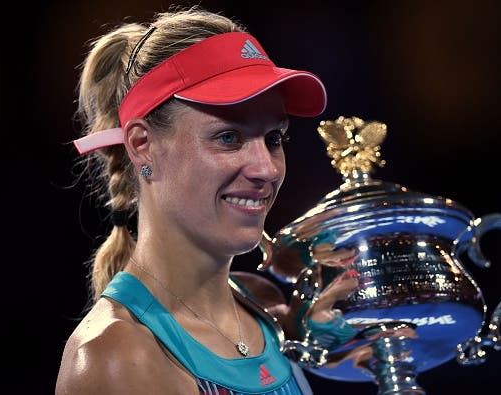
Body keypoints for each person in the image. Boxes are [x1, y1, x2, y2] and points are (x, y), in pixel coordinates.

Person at [55, 5, 359, 395]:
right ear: (142, 145)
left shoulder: (264, 311)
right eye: (228, 137)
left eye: (273, 139)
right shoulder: (118, 356)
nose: (265, 169)